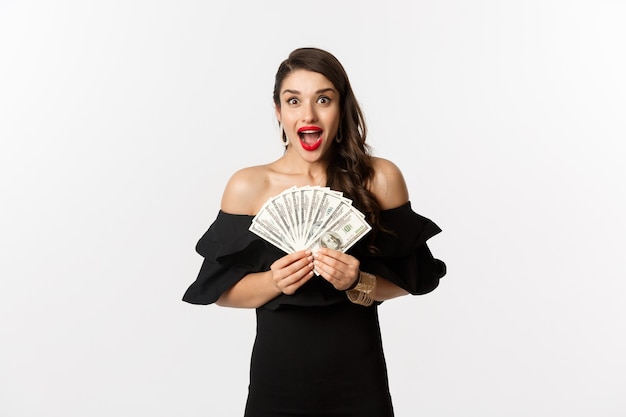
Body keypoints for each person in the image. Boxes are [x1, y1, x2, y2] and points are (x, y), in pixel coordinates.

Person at [182, 47, 447, 417]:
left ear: (342, 107)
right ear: (278, 111)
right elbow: (220, 291)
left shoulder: (381, 178)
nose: (308, 114)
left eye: (324, 99)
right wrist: (275, 281)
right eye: (294, 101)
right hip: (277, 385)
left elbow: (413, 279)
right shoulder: (248, 186)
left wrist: (358, 282)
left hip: (359, 383)